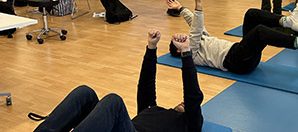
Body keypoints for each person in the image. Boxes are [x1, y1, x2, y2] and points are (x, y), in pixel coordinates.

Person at [31, 30, 204, 132]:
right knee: (85, 93)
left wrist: (186, 52)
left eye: (187, 105)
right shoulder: (153, 109)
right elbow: (146, 85)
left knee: (114, 101)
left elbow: (192, 94)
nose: (184, 102)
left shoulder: (189, 124)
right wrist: (151, 48)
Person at [166, 0, 298, 75]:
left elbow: (195, 25)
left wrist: (181, 9)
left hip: (241, 54)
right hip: (236, 62)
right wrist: (197, 4)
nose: (182, 36)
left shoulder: (201, 41)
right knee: (259, 31)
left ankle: (289, 22)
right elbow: (195, 30)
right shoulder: (191, 54)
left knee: (251, 15)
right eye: (179, 41)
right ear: (180, 50)